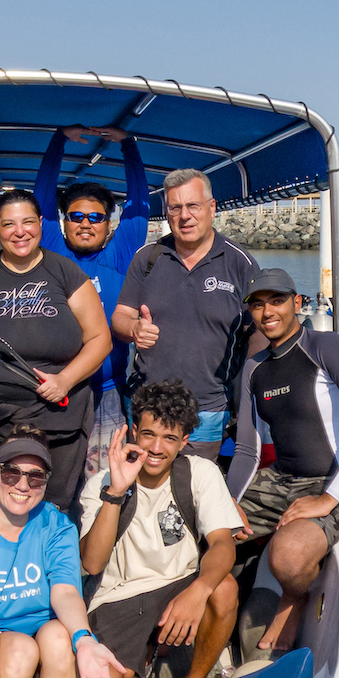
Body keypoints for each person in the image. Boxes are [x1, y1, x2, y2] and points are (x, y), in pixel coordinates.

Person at [227, 268, 339, 652]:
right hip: (284, 478)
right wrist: (229, 503)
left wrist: (328, 498)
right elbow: (248, 450)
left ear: (297, 303)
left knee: (288, 554)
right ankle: (222, 606)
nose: (268, 312)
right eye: (258, 304)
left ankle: (294, 598)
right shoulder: (254, 368)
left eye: (277, 300)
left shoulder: (325, 346)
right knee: (211, 528)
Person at [0, 189, 113, 511]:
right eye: (9, 224)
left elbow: (100, 338)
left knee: (53, 505)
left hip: (57, 414)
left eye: (28, 222)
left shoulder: (67, 273)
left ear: (41, 224)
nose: (20, 232)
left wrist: (66, 380)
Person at [0, 429, 127, 678]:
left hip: (43, 628)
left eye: (35, 476)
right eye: (11, 473)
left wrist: (84, 640)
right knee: (21, 650)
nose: (22, 485)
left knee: (59, 638)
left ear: (45, 482)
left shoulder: (57, 525)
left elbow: (66, 591)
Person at [79, 380, 242, 678]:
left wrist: (199, 591)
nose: (156, 448)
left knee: (223, 587)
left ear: (184, 441)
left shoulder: (200, 473)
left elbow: (223, 543)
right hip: (119, 595)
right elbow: (93, 563)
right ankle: (148, 651)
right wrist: (115, 492)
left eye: (169, 438)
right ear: (132, 430)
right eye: (148, 434)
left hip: (178, 583)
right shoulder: (101, 483)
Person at [112, 169, 258, 460]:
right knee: (142, 494)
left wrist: (249, 400)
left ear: (212, 208)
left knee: (193, 494)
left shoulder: (240, 263)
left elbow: (258, 332)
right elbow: (120, 317)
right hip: (146, 406)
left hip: (207, 409)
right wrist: (134, 329)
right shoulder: (148, 258)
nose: (185, 216)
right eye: (175, 207)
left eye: (193, 205)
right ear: (166, 213)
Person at [33, 125, 150, 474]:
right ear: (63, 222)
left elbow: (139, 205)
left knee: (102, 480)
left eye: (96, 217)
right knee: (52, 475)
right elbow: (41, 198)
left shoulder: (120, 255)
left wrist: (128, 144)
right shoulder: (51, 251)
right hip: (56, 388)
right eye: (77, 216)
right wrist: (58, 141)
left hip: (109, 392)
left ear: (108, 224)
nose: (86, 223)